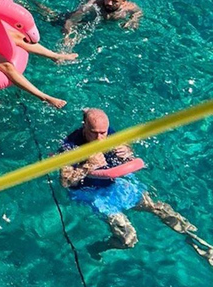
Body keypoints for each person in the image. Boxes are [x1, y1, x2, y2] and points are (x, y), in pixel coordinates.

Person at [59, 108, 206, 256]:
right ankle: (97, 248)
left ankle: (198, 242)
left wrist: (127, 150)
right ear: (84, 126)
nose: (99, 138)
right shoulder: (70, 146)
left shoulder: (108, 131)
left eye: (103, 133)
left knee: (160, 209)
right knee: (128, 240)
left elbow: (128, 151)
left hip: (115, 183)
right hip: (91, 193)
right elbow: (65, 182)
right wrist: (87, 166)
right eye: (94, 133)